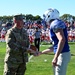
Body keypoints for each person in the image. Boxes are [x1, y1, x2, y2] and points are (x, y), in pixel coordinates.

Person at [39, 8, 71, 75]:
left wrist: (56, 57)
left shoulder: (55, 23)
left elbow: (62, 40)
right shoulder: (56, 23)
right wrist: (41, 52)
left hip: (62, 54)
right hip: (62, 53)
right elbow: (56, 46)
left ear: (49, 15)